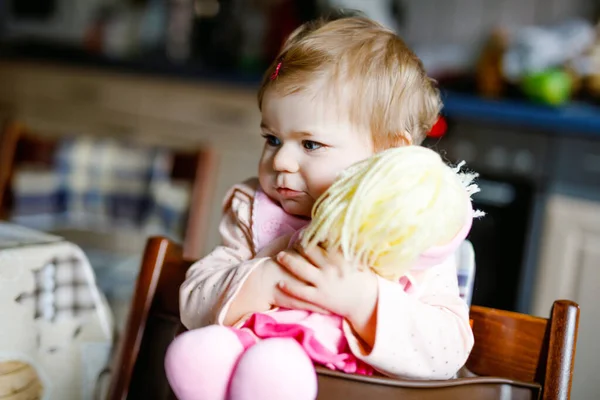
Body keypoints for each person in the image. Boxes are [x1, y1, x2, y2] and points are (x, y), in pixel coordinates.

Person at [164, 14, 475, 400]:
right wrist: (265, 281)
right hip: (245, 379)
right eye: (273, 139)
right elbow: (193, 301)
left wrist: (363, 301)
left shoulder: (414, 233)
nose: (280, 162)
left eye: (310, 144)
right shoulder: (254, 212)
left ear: (389, 154)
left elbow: (448, 353)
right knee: (198, 355)